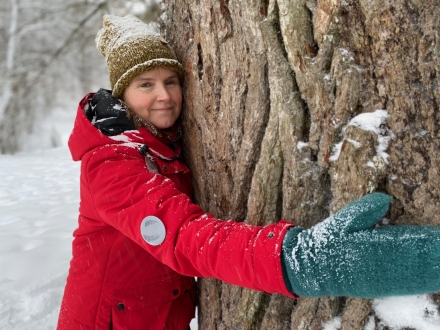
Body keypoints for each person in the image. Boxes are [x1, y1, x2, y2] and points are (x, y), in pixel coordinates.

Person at [57, 14, 440, 330]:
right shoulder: (111, 161)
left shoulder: (162, 143)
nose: (165, 96)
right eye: (146, 84)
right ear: (121, 94)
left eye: (170, 81)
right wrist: (296, 260)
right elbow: (184, 237)